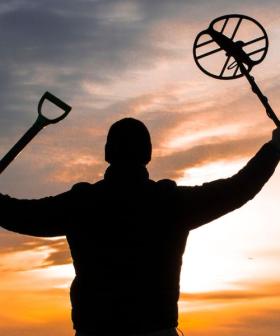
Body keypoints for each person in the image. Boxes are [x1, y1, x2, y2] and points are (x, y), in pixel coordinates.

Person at [0, 118, 280, 336]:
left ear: (108, 153)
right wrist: (274, 150)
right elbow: (238, 189)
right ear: (148, 154)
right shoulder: (169, 202)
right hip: (156, 329)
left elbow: (20, 215)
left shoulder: (82, 203)